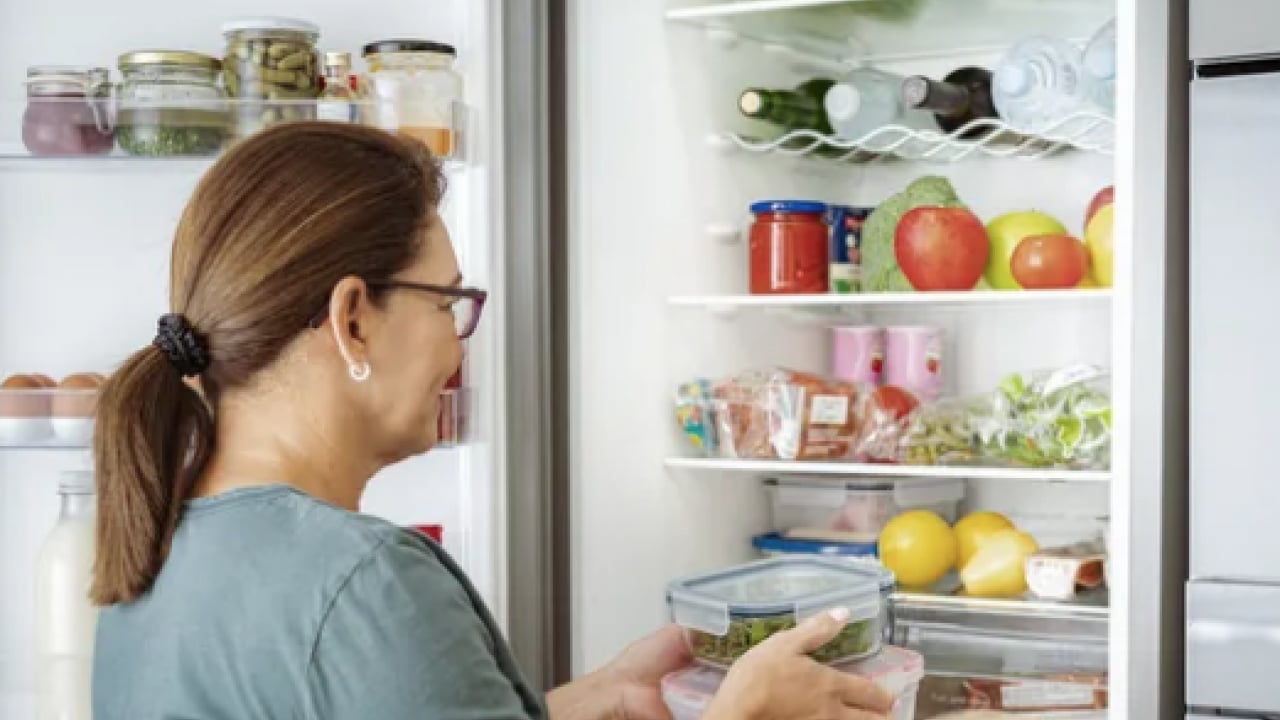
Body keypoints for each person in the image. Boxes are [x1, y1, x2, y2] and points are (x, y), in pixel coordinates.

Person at [90, 122, 895, 720]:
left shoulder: (157, 548)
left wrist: (593, 701)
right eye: (448, 301)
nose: (456, 339)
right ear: (353, 320)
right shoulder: (365, 582)